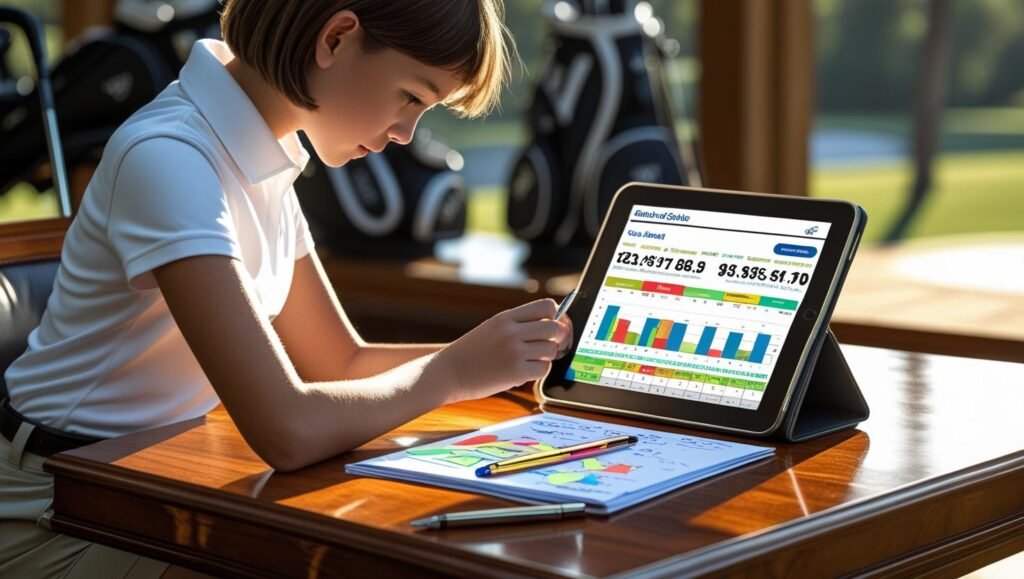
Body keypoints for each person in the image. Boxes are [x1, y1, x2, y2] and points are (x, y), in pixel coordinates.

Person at [0, 1, 571, 576]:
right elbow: (287, 430)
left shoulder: (263, 156)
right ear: (336, 39)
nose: (405, 133)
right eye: (410, 97)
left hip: (144, 482)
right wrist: (454, 372)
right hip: (57, 508)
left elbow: (339, 363)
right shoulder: (170, 155)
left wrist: (506, 361)